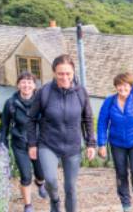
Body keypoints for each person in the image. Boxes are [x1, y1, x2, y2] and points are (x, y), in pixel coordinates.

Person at [27, 54, 96, 212]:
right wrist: (32, 144)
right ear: (54, 73)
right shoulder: (44, 92)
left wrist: (90, 143)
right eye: (60, 73)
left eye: (68, 73)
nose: (64, 77)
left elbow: (88, 118)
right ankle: (55, 201)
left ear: (73, 73)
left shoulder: (81, 93)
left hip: (72, 147)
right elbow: (31, 119)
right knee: (50, 180)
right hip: (48, 144)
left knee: (70, 187)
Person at [97, 72, 133, 212]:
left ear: (130, 86)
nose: (122, 88)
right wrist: (102, 144)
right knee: (121, 173)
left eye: (125, 85)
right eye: (119, 85)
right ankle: (126, 203)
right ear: (116, 86)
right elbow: (102, 123)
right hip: (117, 144)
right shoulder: (109, 102)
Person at [0, 72, 47, 212]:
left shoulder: (41, 102)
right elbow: (4, 127)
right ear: (18, 85)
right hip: (19, 144)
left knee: (41, 174)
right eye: (23, 82)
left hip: (38, 144)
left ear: (34, 86)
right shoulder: (10, 104)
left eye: (29, 82)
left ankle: (40, 183)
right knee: (25, 175)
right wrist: (3, 147)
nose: (26, 85)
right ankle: (28, 205)